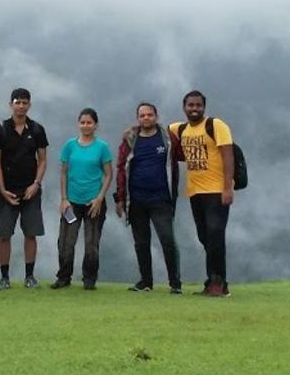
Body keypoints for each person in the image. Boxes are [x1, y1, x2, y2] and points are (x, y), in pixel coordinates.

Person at [170, 90, 236, 297]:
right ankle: (213, 282)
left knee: (215, 235)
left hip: (216, 191)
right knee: (204, 236)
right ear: (184, 107)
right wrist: (132, 131)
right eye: (190, 105)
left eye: (198, 105)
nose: (194, 109)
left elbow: (228, 156)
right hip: (195, 191)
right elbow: (152, 131)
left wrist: (228, 188)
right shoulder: (178, 129)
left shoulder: (216, 125)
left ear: (204, 107)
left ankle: (218, 283)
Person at [115, 102, 183, 294]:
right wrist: (120, 198)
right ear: (138, 118)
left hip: (161, 199)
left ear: (156, 116)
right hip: (136, 199)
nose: (146, 118)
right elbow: (121, 168)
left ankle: (175, 283)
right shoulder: (130, 140)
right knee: (141, 243)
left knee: (168, 240)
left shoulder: (168, 138)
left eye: (149, 115)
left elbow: (183, 155)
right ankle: (146, 281)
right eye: (142, 115)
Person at [0, 87, 49, 290]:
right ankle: (4, 277)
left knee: (30, 234)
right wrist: (2, 189)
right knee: (4, 234)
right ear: (10, 104)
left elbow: (42, 160)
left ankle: (29, 276)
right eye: (17, 102)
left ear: (29, 105)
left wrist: (36, 184)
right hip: (7, 190)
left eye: (24, 102)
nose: (21, 106)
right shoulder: (0, 130)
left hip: (31, 190)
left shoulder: (37, 129)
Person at [51, 108, 114, 290]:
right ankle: (64, 277)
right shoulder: (70, 145)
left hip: (94, 202)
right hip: (72, 202)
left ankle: (89, 279)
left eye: (89, 122)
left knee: (91, 244)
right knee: (65, 242)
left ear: (96, 125)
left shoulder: (102, 147)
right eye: (83, 122)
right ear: (78, 124)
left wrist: (100, 198)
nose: (86, 126)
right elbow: (63, 173)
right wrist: (64, 198)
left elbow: (109, 174)